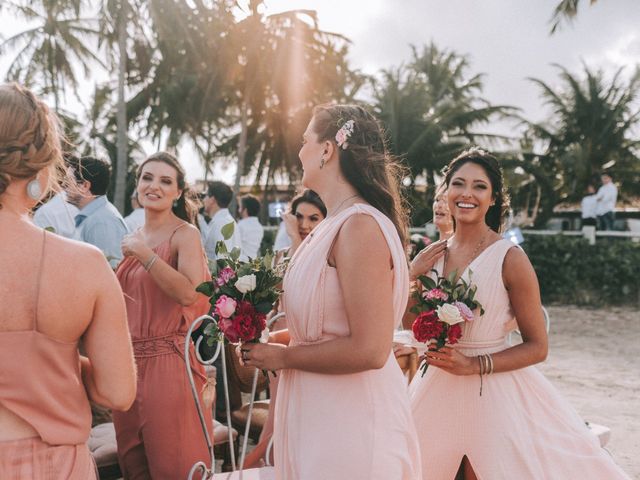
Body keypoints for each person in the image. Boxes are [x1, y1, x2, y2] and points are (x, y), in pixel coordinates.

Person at [408, 148, 630, 479]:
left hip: (492, 392)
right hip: (437, 388)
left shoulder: (510, 258)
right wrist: (412, 274)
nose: (467, 194)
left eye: (480, 186)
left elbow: (538, 346)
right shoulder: (431, 256)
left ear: (494, 197)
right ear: (445, 191)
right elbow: (411, 327)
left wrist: (474, 365)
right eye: (458, 183)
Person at [239, 104, 421, 479]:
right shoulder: (330, 225)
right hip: (317, 407)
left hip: (350, 418)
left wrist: (284, 358)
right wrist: (276, 339)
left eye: (306, 141)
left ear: (327, 149)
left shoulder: (360, 227)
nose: (300, 151)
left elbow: (370, 349)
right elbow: (327, 323)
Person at [0, 83, 136, 478]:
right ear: (41, 168)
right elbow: (117, 392)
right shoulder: (84, 265)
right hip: (56, 465)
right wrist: (51, 357)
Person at [112, 151, 214, 479]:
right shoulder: (133, 238)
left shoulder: (185, 234)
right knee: (134, 466)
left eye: (165, 181)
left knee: (175, 465)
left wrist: (145, 256)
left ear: (178, 192)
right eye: (147, 177)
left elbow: (190, 294)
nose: (153, 185)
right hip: (128, 367)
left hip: (169, 364)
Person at [243, 188, 327, 469]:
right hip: (282, 342)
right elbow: (275, 293)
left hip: (314, 345)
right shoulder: (281, 256)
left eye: (313, 218)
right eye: (299, 217)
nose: (304, 225)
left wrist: (295, 239)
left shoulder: (330, 258)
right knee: (281, 414)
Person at [66, 156, 129, 268]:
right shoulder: (95, 217)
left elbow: (110, 272)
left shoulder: (102, 222)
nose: (64, 186)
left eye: (69, 181)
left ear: (85, 186)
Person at [202, 180, 241, 260]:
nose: (203, 200)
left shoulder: (222, 223)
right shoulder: (223, 220)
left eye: (206, 196)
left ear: (212, 199)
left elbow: (223, 260)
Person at [237, 193, 264, 260]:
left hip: (240, 263)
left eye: (240, 207)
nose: (238, 210)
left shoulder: (241, 225)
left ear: (245, 210)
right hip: (253, 263)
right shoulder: (259, 227)